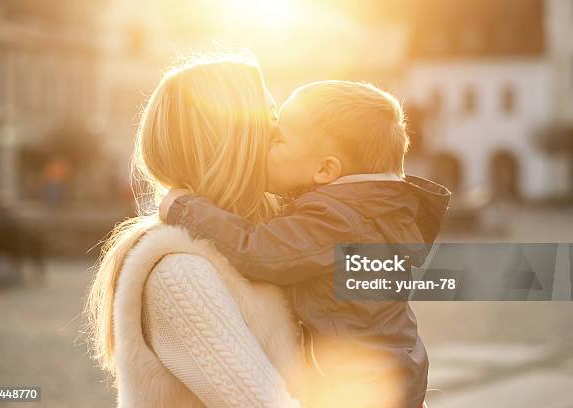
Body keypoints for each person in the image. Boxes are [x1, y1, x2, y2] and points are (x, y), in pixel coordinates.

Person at [160, 80, 451, 408]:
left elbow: (256, 251)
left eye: (278, 138)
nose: (265, 142)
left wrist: (183, 207)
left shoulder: (336, 219)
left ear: (325, 169)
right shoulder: (371, 213)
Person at [84, 56, 302, 408]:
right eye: (272, 119)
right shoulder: (180, 274)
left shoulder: (266, 246)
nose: (282, 134)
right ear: (232, 142)